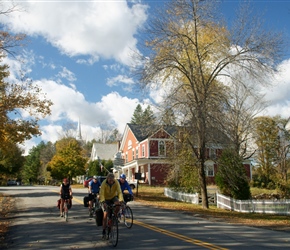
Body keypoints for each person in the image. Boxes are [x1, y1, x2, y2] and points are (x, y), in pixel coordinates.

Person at [99, 173, 124, 239]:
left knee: (118, 204)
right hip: (105, 198)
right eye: (110, 180)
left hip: (113, 197)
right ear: (107, 179)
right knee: (106, 213)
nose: (111, 182)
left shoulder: (116, 182)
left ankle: (114, 216)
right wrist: (103, 202)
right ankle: (104, 231)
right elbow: (101, 193)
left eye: (112, 180)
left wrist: (121, 200)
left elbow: (119, 191)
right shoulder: (104, 183)